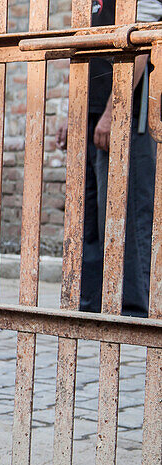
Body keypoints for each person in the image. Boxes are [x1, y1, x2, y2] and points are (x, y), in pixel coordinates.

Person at [58, 0, 162, 316]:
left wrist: (112, 112)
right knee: (86, 217)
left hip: (125, 114)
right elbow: (82, 51)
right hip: (89, 111)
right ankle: (90, 305)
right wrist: (69, 110)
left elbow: (142, 46)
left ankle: (131, 311)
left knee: (124, 215)